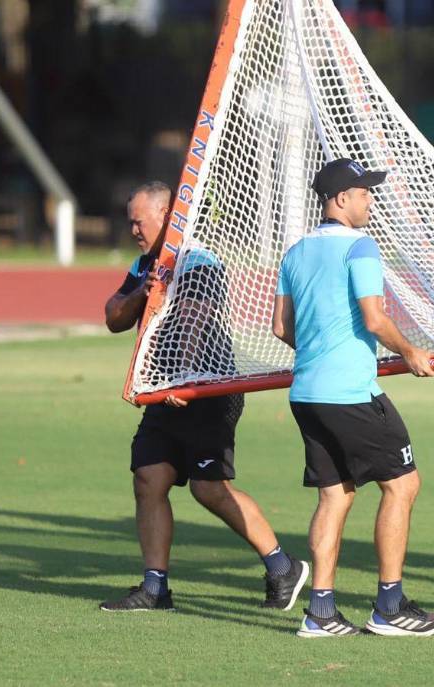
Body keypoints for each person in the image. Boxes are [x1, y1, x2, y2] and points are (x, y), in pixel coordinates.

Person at [101, 181, 308, 613]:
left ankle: (282, 565)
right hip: (165, 389)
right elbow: (113, 317)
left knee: (209, 489)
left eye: (139, 221)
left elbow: (196, 319)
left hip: (206, 389)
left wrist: (181, 375)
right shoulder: (146, 265)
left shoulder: (199, 261)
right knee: (149, 478)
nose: (134, 229)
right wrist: (143, 290)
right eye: (130, 222)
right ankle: (156, 588)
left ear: (166, 215)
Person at [272, 157, 434, 638]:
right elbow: (374, 319)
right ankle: (389, 606)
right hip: (351, 393)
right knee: (403, 485)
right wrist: (410, 351)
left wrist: (321, 354)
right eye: (364, 192)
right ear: (340, 199)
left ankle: (320, 614)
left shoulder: (296, 251)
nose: (370, 199)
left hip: (307, 392)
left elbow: (281, 328)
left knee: (335, 496)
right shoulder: (362, 248)